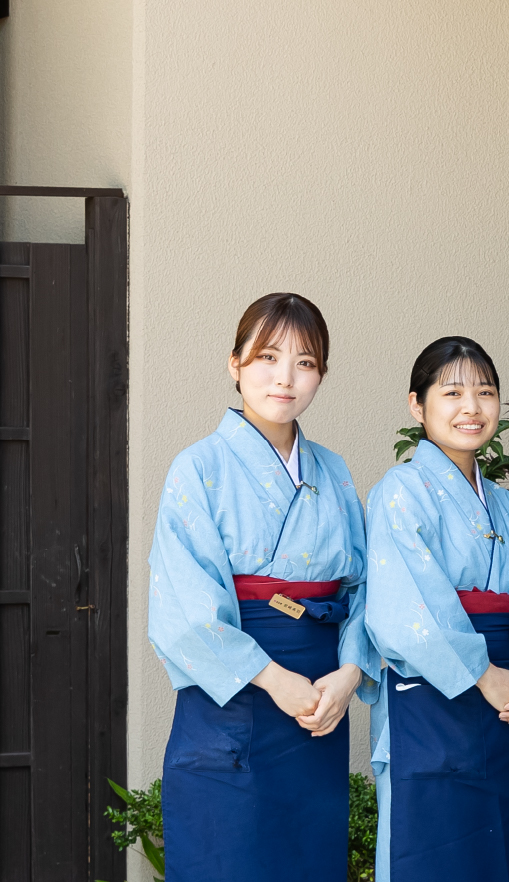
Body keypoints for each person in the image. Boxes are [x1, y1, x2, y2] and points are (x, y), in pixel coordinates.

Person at [149, 292, 375, 882]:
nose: (285, 377)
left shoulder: (334, 471)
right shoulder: (197, 468)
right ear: (235, 365)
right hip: (238, 693)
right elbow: (184, 607)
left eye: (305, 362)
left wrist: (349, 673)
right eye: (268, 357)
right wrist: (274, 680)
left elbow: (367, 588)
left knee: (308, 859)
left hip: (317, 701)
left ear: (321, 374)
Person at [365, 336, 509, 882]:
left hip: (503, 697)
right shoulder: (401, 491)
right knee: (432, 852)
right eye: (451, 392)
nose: (471, 407)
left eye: (485, 392)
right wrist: (483, 674)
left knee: (496, 853)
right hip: (431, 697)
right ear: (417, 404)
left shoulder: (503, 504)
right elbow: (403, 610)